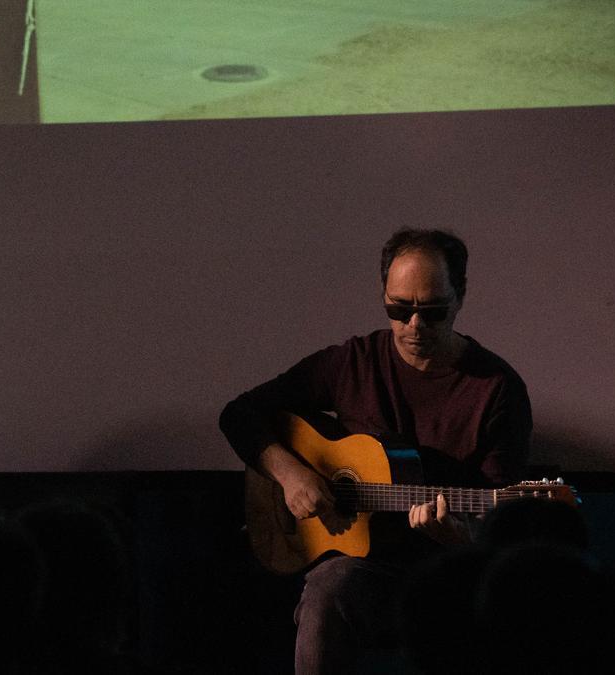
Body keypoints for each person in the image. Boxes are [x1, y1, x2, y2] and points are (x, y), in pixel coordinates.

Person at [220, 229, 531, 674]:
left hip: (451, 569)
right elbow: (239, 413)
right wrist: (291, 474)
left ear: (460, 297)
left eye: (433, 311)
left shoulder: (497, 390)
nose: (414, 327)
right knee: (329, 588)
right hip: (367, 568)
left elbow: (503, 529)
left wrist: (459, 540)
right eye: (399, 309)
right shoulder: (353, 363)